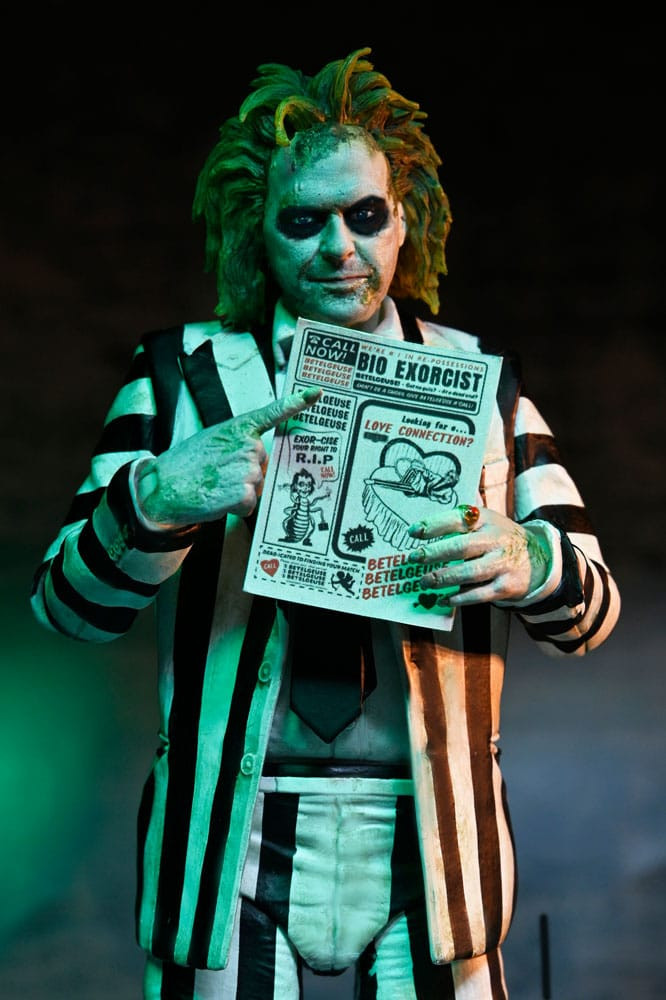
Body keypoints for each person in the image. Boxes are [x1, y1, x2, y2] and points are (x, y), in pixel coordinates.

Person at [30, 47, 621, 999]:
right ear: (256, 231)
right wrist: (156, 500)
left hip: (432, 829)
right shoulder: (181, 379)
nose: (339, 248)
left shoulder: (484, 387)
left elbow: (592, 615)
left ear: (404, 220)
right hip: (227, 831)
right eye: (303, 221)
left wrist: (531, 557)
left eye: (364, 215)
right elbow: (66, 608)